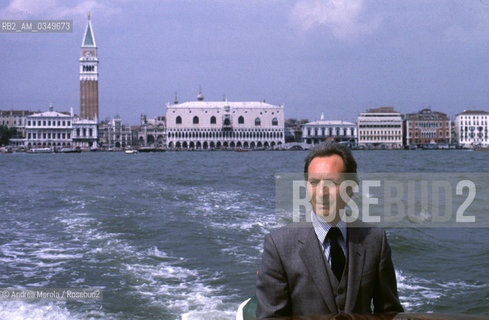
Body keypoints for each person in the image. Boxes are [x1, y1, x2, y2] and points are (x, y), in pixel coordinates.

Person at [256, 142, 403, 318]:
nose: (321, 192)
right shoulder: (279, 246)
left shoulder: (375, 241)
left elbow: (389, 313)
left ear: (351, 188)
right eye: (314, 182)